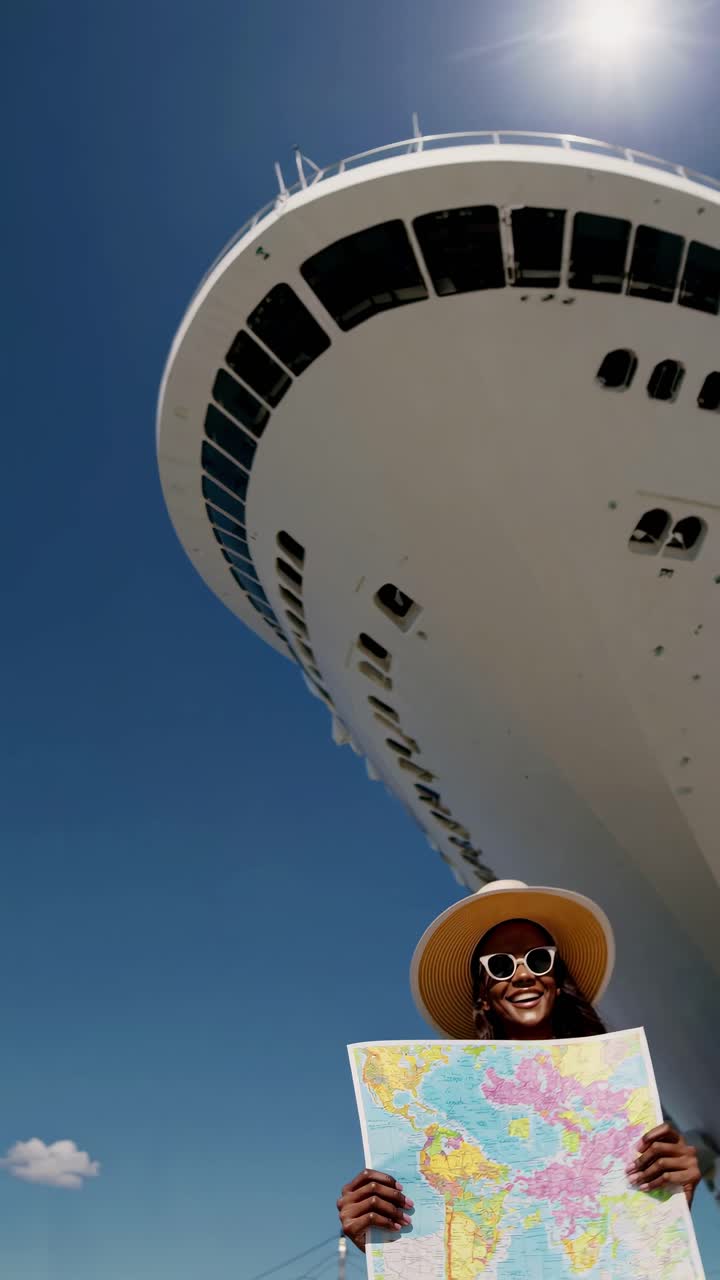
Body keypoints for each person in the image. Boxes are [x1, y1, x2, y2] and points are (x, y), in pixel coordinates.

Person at [337, 879, 701, 1252]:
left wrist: (676, 1196)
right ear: (483, 994)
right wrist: (383, 1240)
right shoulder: (446, 1109)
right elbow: (444, 1239)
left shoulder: (620, 1093)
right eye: (500, 965)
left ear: (557, 980)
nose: (523, 974)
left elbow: (636, 1243)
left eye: (539, 959)